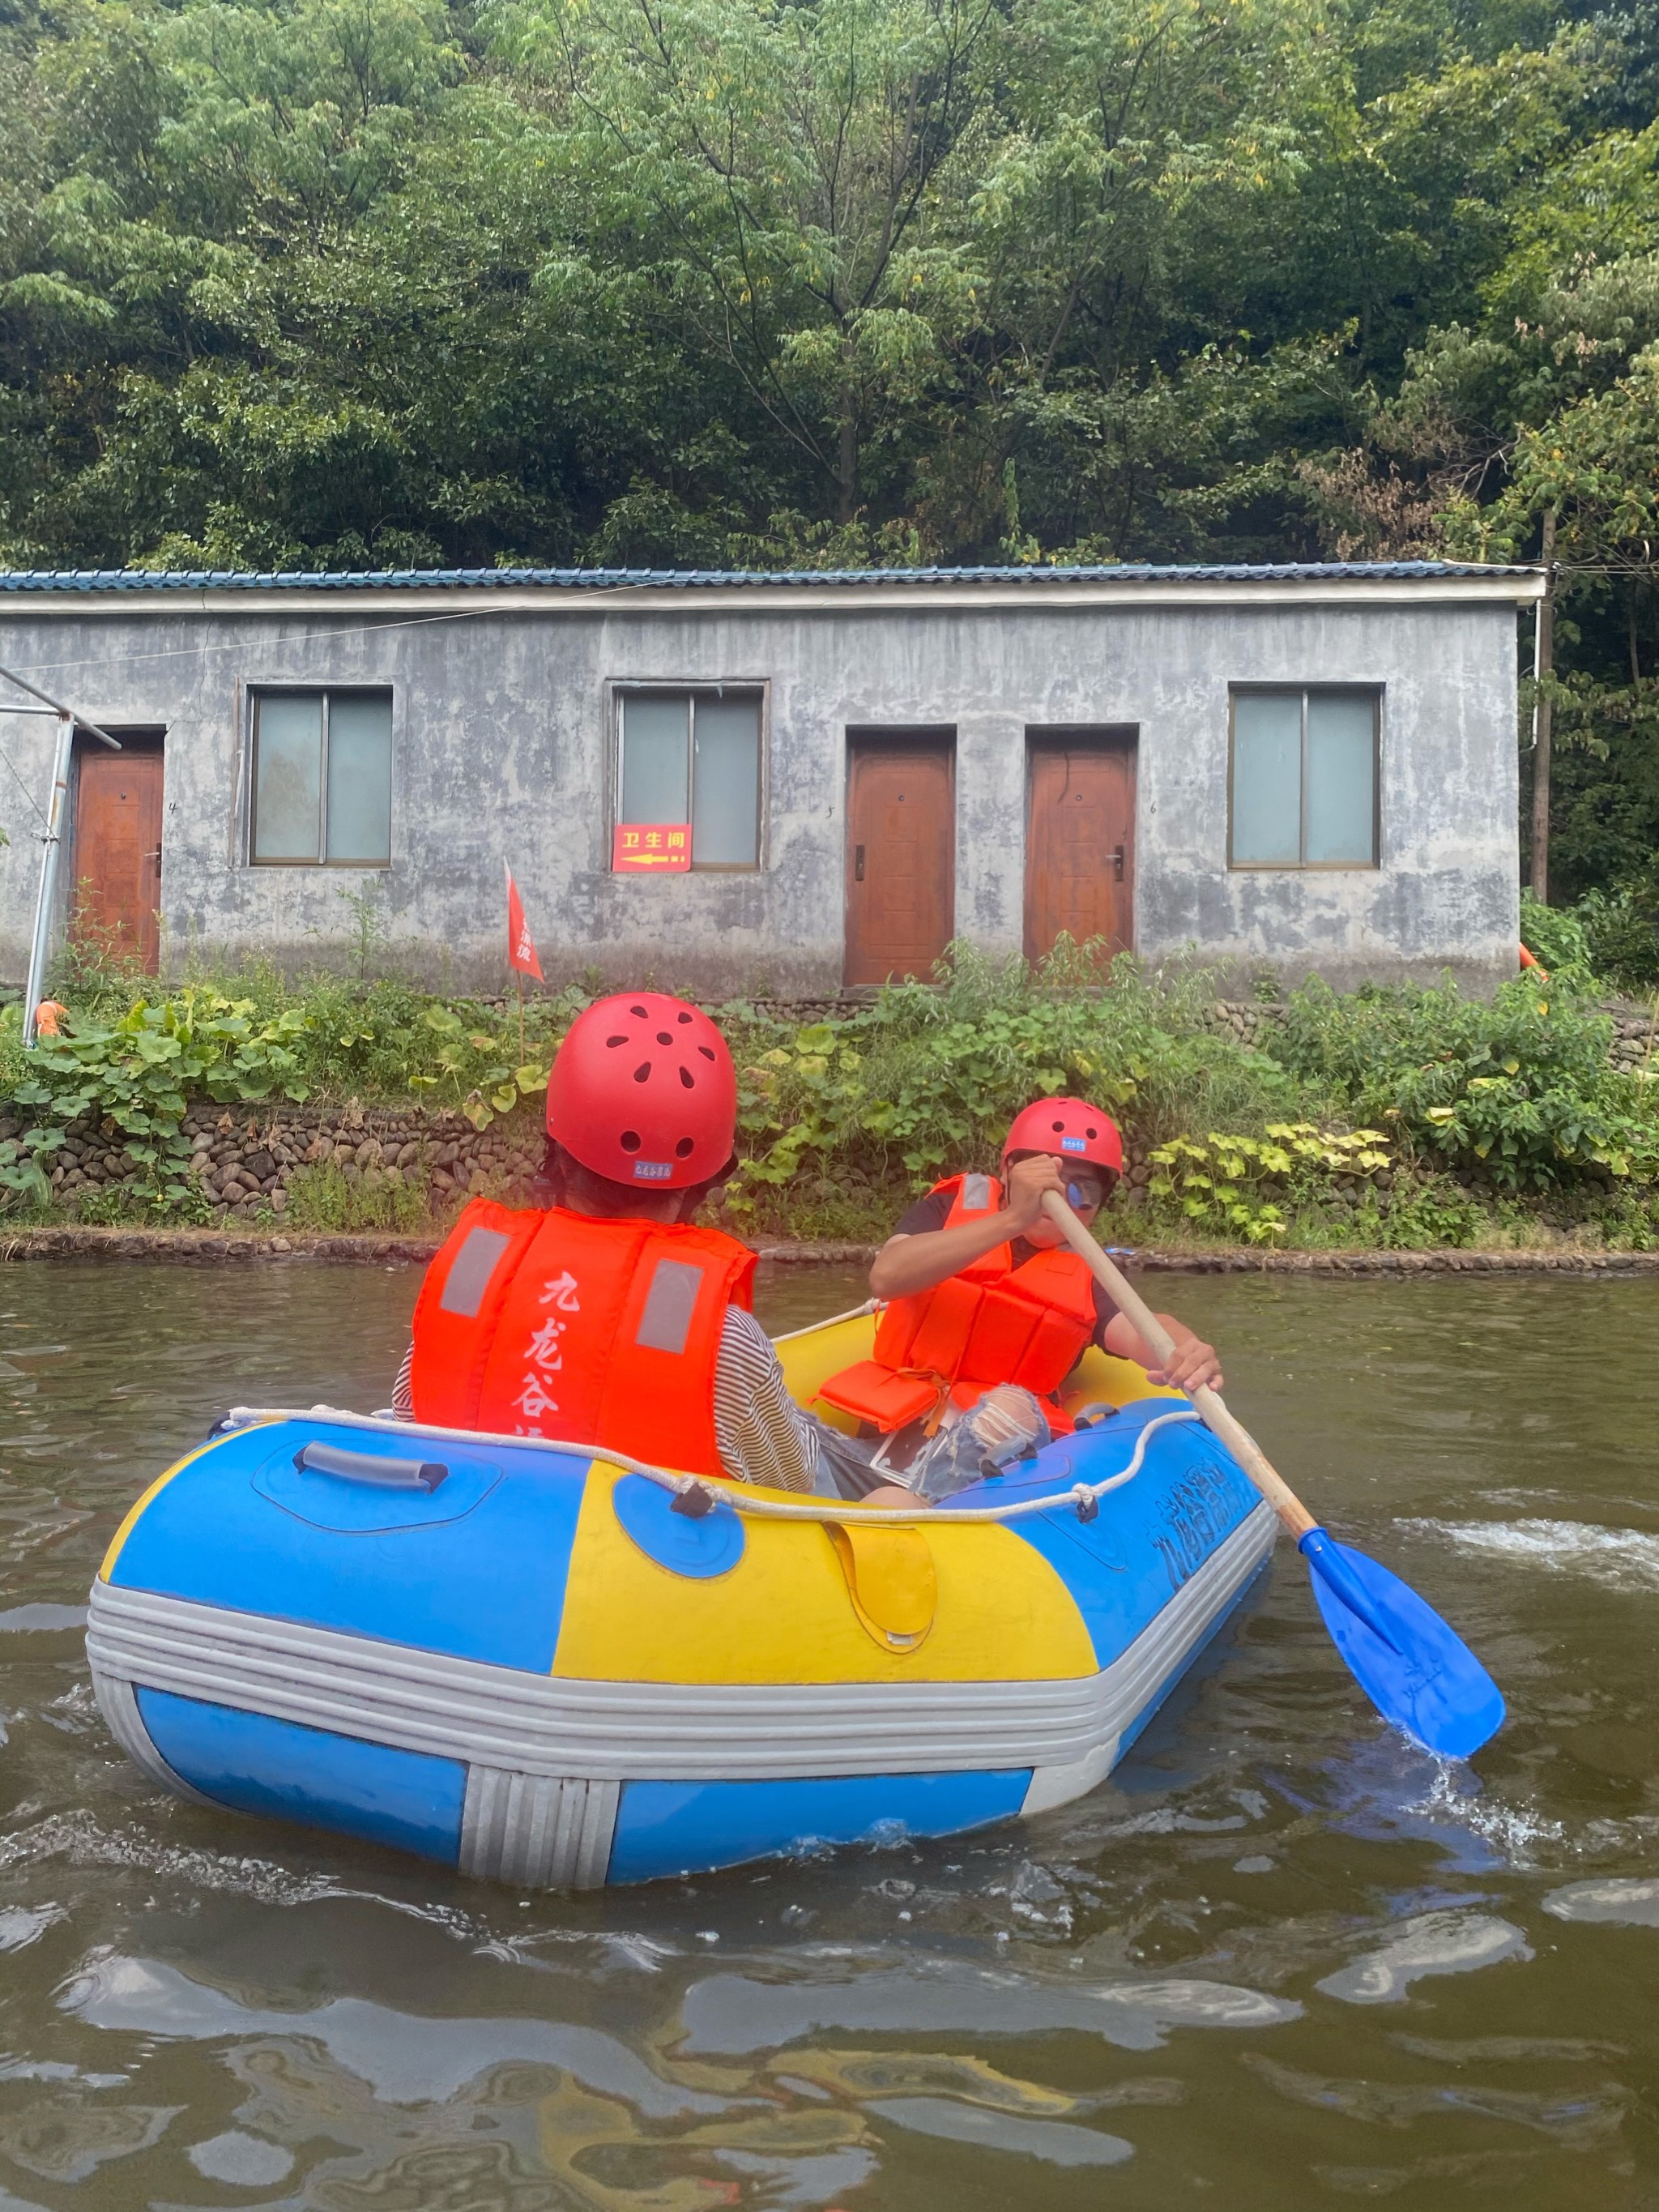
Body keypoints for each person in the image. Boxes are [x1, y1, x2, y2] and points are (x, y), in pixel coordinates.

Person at [396, 991, 887, 1499]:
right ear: (700, 1182)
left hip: (470, 1534)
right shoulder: (725, 1338)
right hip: (637, 1567)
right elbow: (796, 1487)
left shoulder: (471, 1274)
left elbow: (409, 1410)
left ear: (558, 1153)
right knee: (885, 1496)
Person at [817, 1096, 1223, 1498]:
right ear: (1007, 1171)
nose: (1061, 1199)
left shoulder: (1092, 1272)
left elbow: (1145, 1332)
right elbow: (888, 1276)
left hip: (979, 1472)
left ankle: (919, 1508)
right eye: (1043, 1179)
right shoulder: (951, 1207)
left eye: (1084, 1191)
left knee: (1010, 1406)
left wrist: (1185, 1349)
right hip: (873, 1447)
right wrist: (1014, 1220)